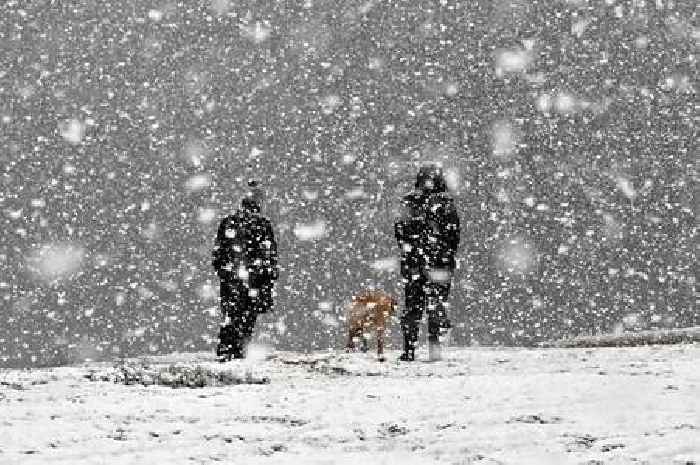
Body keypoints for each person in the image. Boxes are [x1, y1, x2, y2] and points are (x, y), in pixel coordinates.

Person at [395, 164, 460, 361]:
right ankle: (435, 347)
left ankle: (409, 349)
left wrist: (411, 250)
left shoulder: (409, 202)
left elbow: (399, 231)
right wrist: (444, 253)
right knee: (436, 303)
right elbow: (454, 233)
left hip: (414, 261)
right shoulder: (446, 203)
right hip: (439, 263)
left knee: (413, 305)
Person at [211, 180, 279, 360]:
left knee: (232, 316)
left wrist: (226, 272)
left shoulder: (228, 222)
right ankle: (237, 350)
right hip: (253, 280)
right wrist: (267, 278)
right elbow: (269, 256)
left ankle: (228, 351)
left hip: (234, 279)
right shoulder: (263, 224)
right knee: (247, 317)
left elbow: (219, 254)